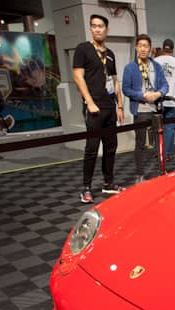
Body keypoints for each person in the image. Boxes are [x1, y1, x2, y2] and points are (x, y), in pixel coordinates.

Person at [72, 14, 125, 203]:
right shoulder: (83, 49)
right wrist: (89, 101)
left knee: (111, 146)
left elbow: (114, 81)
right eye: (94, 26)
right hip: (93, 107)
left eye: (100, 26)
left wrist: (120, 105)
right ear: (90, 28)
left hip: (110, 107)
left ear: (106, 29)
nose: (97, 29)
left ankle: (108, 183)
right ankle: (86, 187)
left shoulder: (109, 53)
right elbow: (78, 77)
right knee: (92, 148)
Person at [122, 34, 168, 184]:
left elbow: (165, 85)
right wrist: (142, 95)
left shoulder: (156, 66)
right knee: (140, 143)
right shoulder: (130, 68)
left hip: (155, 109)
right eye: (140, 45)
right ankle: (140, 173)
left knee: (159, 140)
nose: (143, 49)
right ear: (136, 48)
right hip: (140, 110)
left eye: (146, 46)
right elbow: (126, 89)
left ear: (150, 48)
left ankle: (161, 170)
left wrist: (158, 94)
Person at [154, 39, 175, 162]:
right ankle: (167, 153)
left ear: (163, 49)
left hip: (157, 101)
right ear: (172, 50)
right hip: (172, 100)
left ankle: (158, 152)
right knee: (170, 128)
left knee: (157, 127)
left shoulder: (155, 61)